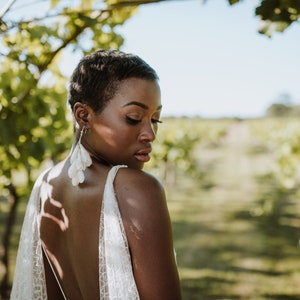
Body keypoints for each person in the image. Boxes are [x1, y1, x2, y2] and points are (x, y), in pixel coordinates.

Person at [10, 49, 181, 300]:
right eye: (134, 118)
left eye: (155, 119)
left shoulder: (45, 185)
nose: (150, 134)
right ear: (84, 116)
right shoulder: (138, 190)